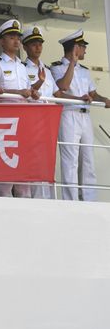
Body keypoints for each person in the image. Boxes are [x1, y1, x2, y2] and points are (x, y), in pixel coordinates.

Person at [50, 30, 110, 202]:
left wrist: (104, 100)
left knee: (88, 159)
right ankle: (71, 201)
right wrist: (72, 63)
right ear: (75, 48)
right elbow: (62, 87)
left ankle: (89, 200)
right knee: (71, 160)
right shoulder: (56, 68)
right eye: (83, 46)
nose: (85, 50)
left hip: (85, 116)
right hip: (68, 115)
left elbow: (92, 94)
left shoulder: (84, 71)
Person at [0, 19, 37, 198]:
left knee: (23, 162)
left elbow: (27, 90)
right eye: (11, 37)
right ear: (2, 41)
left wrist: (33, 92)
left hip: (23, 118)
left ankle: (25, 201)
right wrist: (18, 92)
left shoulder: (22, 66)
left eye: (18, 37)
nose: (16, 41)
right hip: (5, 118)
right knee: (7, 161)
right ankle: (5, 201)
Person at [22, 26, 59, 199]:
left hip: (48, 119)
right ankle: (37, 198)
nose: (38, 47)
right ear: (25, 47)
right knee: (34, 158)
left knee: (48, 158)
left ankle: (50, 197)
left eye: (39, 44)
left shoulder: (48, 70)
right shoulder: (22, 68)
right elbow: (25, 92)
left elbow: (57, 93)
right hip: (32, 119)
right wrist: (38, 83)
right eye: (33, 44)